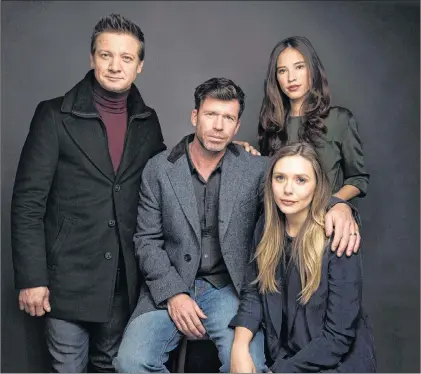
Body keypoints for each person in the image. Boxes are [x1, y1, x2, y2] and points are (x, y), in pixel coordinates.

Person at [114, 78, 361, 373]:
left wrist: (339, 205)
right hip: (170, 285)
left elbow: (299, 179)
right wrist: (173, 294)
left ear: (237, 125)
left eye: (228, 118)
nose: (219, 126)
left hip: (231, 289)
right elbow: (146, 241)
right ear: (195, 116)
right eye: (211, 115)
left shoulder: (256, 168)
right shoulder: (159, 169)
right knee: (130, 363)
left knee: (247, 365)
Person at [11, 14, 166, 372]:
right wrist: (32, 279)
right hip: (66, 280)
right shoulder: (53, 115)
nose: (115, 66)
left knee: (110, 367)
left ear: (139, 66)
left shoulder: (148, 120)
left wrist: (220, 145)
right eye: (106, 55)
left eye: (126, 58)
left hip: (121, 283)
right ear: (92, 58)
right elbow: (28, 204)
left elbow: (168, 172)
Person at [229, 143, 376, 373]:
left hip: (336, 364)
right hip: (285, 356)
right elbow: (254, 293)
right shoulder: (265, 228)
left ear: (317, 186)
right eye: (280, 178)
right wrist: (239, 346)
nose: (288, 189)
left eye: (301, 180)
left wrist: (281, 371)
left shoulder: (338, 237)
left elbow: (337, 337)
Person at [257, 36, 369, 202]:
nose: (291, 78)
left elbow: (358, 179)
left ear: (313, 70)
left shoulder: (340, 120)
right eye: (282, 70)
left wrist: (333, 204)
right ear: (276, 78)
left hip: (325, 222)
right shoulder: (272, 125)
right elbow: (266, 180)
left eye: (299, 67)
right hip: (282, 224)